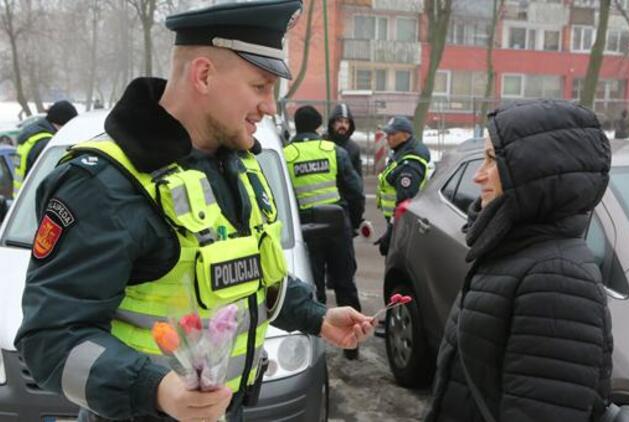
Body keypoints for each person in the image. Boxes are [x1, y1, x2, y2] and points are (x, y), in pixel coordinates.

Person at [14, 2, 374, 421]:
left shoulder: (239, 166)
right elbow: (51, 341)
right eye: (260, 86)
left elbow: (249, 275)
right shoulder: (104, 183)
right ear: (204, 75)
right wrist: (158, 389)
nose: (271, 107)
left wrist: (317, 316)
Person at [425, 99, 613, 422]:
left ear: (534, 173)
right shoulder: (509, 250)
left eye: (491, 160)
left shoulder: (556, 277)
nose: (477, 177)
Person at [284, 104, 365, 359]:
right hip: (337, 227)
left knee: (313, 287)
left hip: (305, 231)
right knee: (344, 283)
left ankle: (315, 348)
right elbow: (355, 191)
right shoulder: (334, 151)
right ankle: (353, 346)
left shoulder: (286, 154)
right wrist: (353, 221)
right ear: (320, 126)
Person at [375, 115, 430, 256]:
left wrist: (391, 234)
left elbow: (404, 206)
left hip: (405, 229)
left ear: (405, 136)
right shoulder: (400, 154)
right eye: (388, 133)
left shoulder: (409, 165)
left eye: (392, 134)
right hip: (400, 226)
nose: (388, 137)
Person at [13, 100, 78, 196]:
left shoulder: (31, 136)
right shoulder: (46, 144)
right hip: (32, 201)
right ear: (63, 123)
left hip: (21, 201)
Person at [326, 103, 362, 176]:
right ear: (332, 124)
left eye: (346, 122)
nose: (343, 125)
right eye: (339, 121)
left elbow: (358, 178)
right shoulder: (322, 144)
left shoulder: (354, 148)